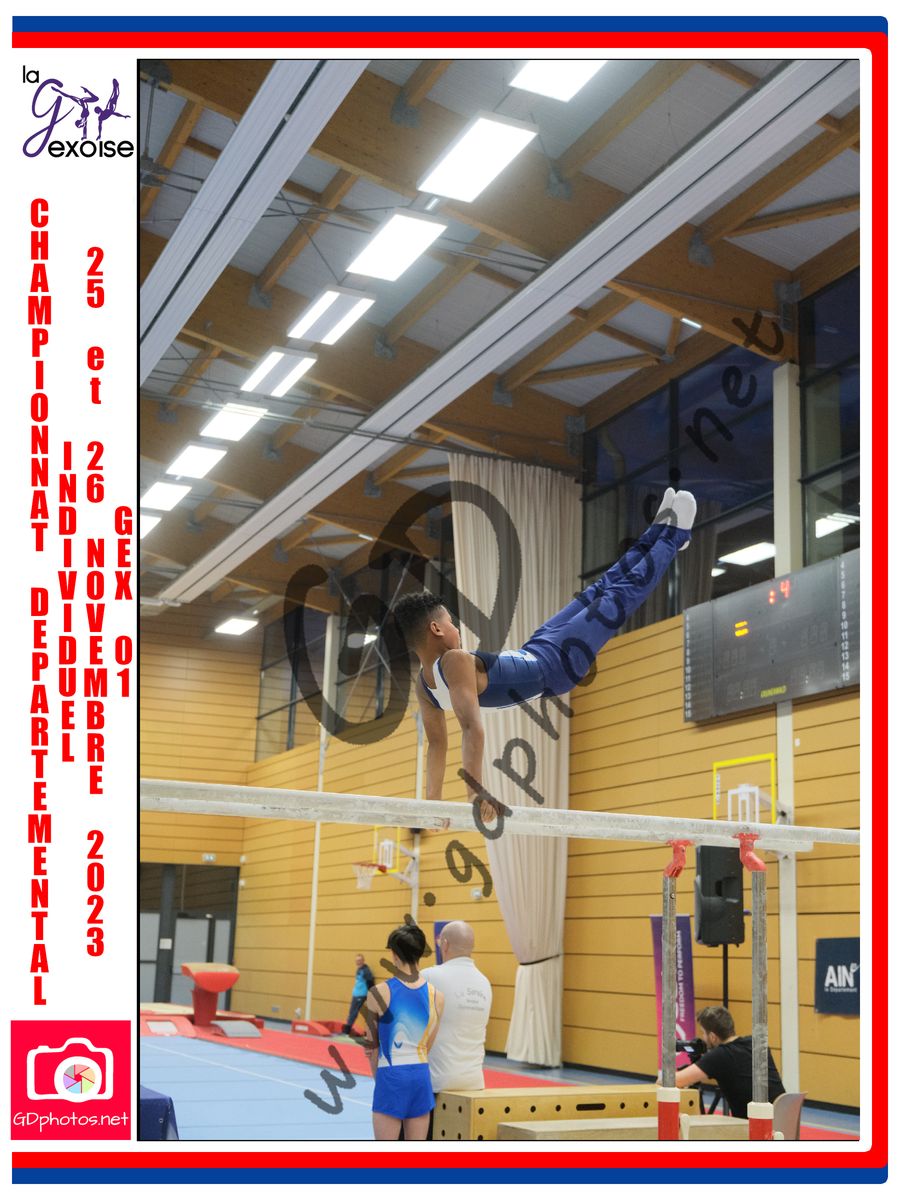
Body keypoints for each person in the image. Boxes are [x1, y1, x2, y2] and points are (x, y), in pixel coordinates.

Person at [392, 488, 696, 821]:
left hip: (537, 648)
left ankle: (658, 532)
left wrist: (434, 804)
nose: (456, 629)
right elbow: (467, 730)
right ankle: (675, 537)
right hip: (557, 665)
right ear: (436, 630)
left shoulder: (427, 683)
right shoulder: (452, 662)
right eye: (451, 622)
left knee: (600, 588)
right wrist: (458, 799)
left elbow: (440, 745)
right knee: (617, 597)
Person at [364, 922, 444, 1141]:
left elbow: (371, 1047)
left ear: (394, 954)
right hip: (420, 1076)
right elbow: (427, 1045)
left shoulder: (378, 993)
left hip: (391, 1075)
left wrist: (381, 1080)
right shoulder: (437, 996)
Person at [421, 921, 492, 1139]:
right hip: (474, 1083)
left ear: (444, 944)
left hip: (436, 1084)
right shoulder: (485, 983)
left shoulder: (430, 975)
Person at [672, 1005, 786, 1119]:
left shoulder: (719, 1055)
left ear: (712, 1037)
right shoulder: (756, 1043)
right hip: (783, 1120)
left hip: (754, 1124)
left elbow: (675, 1080)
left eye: (703, 1033)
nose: (703, 1037)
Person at [343, 954, 375, 1035]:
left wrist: (370, 995)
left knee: (353, 1012)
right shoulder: (359, 969)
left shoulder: (366, 971)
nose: (358, 962)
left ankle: (346, 1031)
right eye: (357, 961)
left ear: (363, 961)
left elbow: (370, 982)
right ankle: (348, 1029)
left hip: (361, 994)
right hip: (356, 994)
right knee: (352, 1011)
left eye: (360, 960)